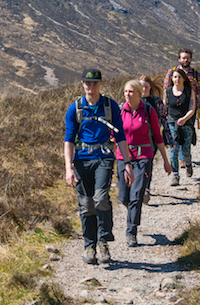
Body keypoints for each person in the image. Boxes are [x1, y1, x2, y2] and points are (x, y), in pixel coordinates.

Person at [64, 68, 133, 266]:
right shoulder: (75, 108)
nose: (91, 87)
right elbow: (68, 140)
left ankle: (103, 242)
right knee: (86, 205)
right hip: (81, 161)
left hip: (104, 158)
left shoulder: (110, 106)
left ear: (101, 84)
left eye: (95, 84)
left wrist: (126, 163)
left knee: (101, 197)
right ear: (82, 84)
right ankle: (89, 245)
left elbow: (120, 136)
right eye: (88, 83)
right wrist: (68, 168)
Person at [115, 80, 173, 247]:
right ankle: (133, 212)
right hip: (123, 157)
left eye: (131, 91)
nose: (127, 94)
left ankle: (131, 232)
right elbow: (114, 136)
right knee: (123, 197)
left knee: (137, 194)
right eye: (126, 91)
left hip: (143, 157)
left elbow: (157, 136)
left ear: (140, 93)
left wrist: (165, 161)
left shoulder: (148, 111)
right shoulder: (119, 111)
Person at [164, 67, 198, 184]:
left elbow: (192, 109)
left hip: (186, 123)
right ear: (172, 79)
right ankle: (175, 174)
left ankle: (188, 164)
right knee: (174, 149)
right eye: (175, 77)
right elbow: (164, 108)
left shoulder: (189, 92)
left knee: (185, 149)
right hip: (172, 123)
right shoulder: (167, 92)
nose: (177, 79)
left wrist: (184, 119)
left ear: (183, 79)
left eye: (179, 77)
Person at [138, 74, 167, 196]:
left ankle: (146, 188)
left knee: (147, 162)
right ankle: (138, 186)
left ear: (150, 87)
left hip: (151, 139)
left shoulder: (156, 101)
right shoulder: (132, 101)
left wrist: (169, 138)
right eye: (141, 87)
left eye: (146, 87)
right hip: (135, 139)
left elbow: (163, 120)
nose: (143, 89)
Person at [164, 48, 200, 130]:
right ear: (179, 59)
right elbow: (165, 92)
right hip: (173, 110)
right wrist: (164, 109)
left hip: (190, 110)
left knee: (188, 135)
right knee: (173, 136)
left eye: (188, 58)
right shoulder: (171, 73)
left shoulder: (196, 74)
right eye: (183, 58)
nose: (186, 60)